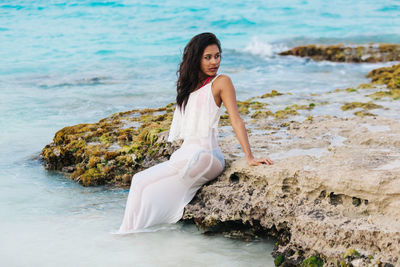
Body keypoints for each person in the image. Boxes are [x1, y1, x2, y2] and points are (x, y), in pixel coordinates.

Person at [118, 32, 273, 233]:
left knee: (162, 175)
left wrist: (249, 157)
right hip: (188, 154)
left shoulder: (222, 82)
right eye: (207, 57)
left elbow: (235, 119)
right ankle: (132, 232)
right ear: (196, 59)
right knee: (141, 182)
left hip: (208, 157)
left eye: (217, 56)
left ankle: (130, 233)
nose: (214, 62)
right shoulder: (188, 88)